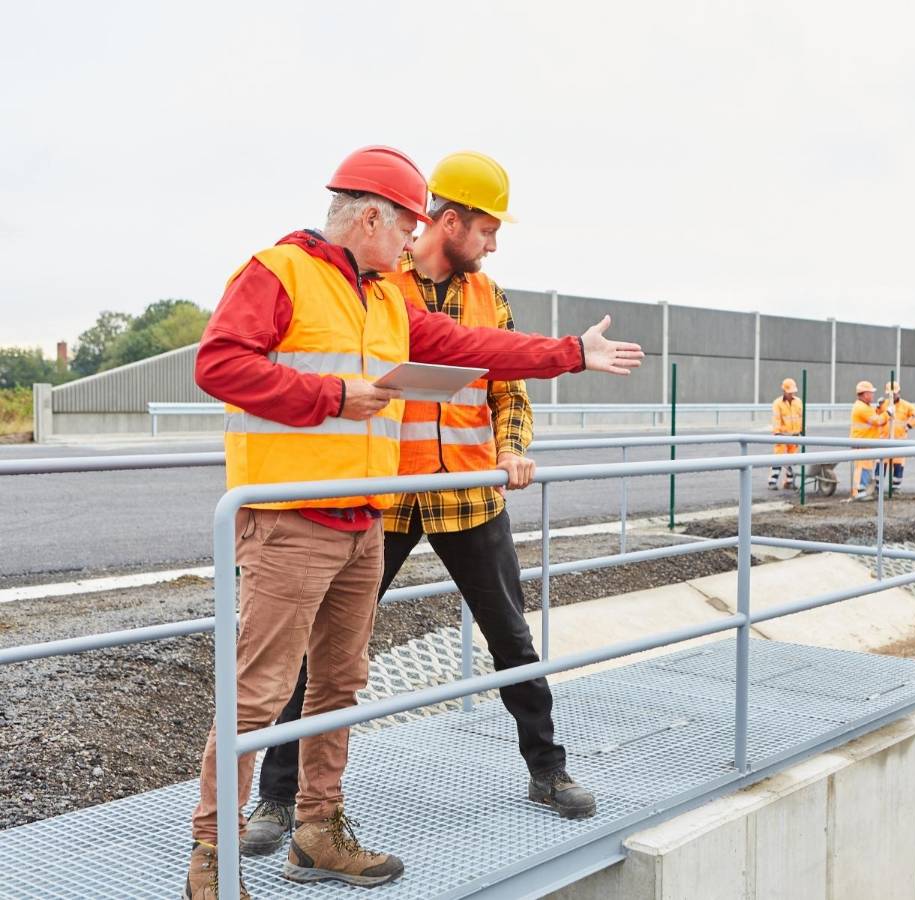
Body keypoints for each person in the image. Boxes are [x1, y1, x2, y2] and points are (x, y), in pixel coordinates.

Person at [185, 145, 643, 899]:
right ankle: (212, 860)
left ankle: (317, 828)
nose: (411, 242)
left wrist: (571, 354)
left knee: (338, 685)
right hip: (291, 523)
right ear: (371, 217)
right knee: (260, 692)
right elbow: (219, 364)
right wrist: (333, 397)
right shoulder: (279, 272)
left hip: (365, 520)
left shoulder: (386, 297)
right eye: (406, 227)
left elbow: (474, 348)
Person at [849, 380, 891, 499]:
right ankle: (859, 492)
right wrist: (888, 413)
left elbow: (873, 417)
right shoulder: (861, 408)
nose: (872, 395)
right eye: (871, 393)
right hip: (862, 443)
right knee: (862, 467)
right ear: (865, 394)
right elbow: (878, 421)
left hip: (865, 442)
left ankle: (862, 491)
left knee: (865, 467)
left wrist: (878, 409)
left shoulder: (865, 406)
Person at [878, 381, 915, 491]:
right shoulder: (884, 404)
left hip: (899, 441)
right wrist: (878, 407)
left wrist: (909, 425)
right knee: (882, 464)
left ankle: (896, 489)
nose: (893, 396)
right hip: (884, 440)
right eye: (890, 394)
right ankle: (878, 488)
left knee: (898, 465)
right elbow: (877, 416)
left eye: (895, 394)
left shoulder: (905, 406)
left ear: (899, 393)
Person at [768, 377, 803, 489]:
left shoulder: (798, 402)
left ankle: (789, 482)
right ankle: (772, 482)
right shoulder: (777, 403)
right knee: (779, 459)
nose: (791, 394)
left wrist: (801, 430)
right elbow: (776, 419)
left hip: (794, 436)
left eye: (792, 392)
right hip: (782, 436)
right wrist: (777, 433)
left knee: (792, 459)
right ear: (784, 391)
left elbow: (800, 417)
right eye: (789, 392)